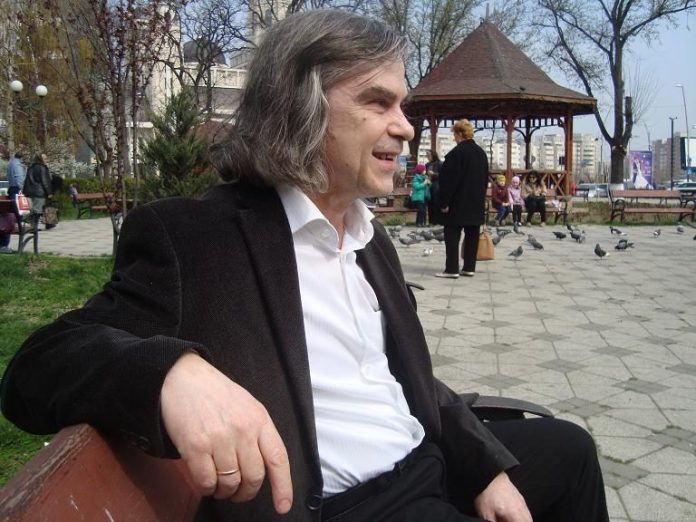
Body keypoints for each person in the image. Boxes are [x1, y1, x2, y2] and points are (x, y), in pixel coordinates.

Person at [1, 11, 608, 522]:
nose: (405, 126)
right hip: (356, 504)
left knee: (572, 451)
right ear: (302, 107)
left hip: (426, 460)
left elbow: (411, 381)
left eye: (403, 104)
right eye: (378, 102)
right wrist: (170, 375)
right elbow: (35, 368)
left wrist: (483, 468)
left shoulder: (369, 237)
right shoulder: (197, 238)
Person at [436, 120, 489, 279]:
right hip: (476, 202)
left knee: (452, 235)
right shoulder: (481, 153)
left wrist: (444, 202)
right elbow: (485, 179)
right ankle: (469, 267)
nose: (454, 137)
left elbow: (448, 181)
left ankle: (452, 269)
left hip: (457, 202)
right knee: (472, 235)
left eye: (454, 134)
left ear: (460, 134)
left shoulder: (456, 154)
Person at [22, 153, 52, 218]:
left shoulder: (31, 167)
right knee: (38, 211)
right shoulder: (42, 168)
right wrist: (49, 192)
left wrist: (25, 192)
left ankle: (32, 223)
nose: (46, 160)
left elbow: (27, 180)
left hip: (30, 192)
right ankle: (34, 223)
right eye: (45, 159)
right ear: (40, 159)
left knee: (33, 210)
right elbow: (45, 181)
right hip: (39, 192)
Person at [425, 150, 442, 225]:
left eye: (428, 155)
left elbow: (443, 175)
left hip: (437, 185)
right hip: (429, 185)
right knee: (429, 203)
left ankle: (437, 220)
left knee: (436, 202)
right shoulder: (427, 164)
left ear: (433, 155)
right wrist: (425, 177)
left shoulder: (439, 163)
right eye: (427, 155)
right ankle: (431, 221)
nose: (427, 157)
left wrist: (434, 174)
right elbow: (425, 174)